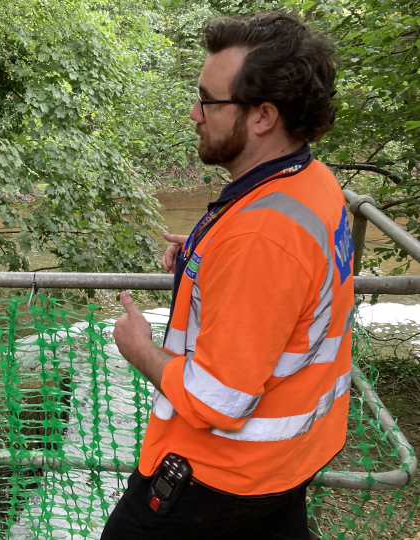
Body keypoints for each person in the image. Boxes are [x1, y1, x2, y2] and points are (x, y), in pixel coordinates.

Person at [103, 13, 354, 540]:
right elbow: (288, 296)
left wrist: (139, 347)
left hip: (215, 477)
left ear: (263, 116)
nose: (194, 113)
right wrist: (203, 255)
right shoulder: (311, 181)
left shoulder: (260, 237)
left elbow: (217, 399)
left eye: (207, 100)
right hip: (283, 460)